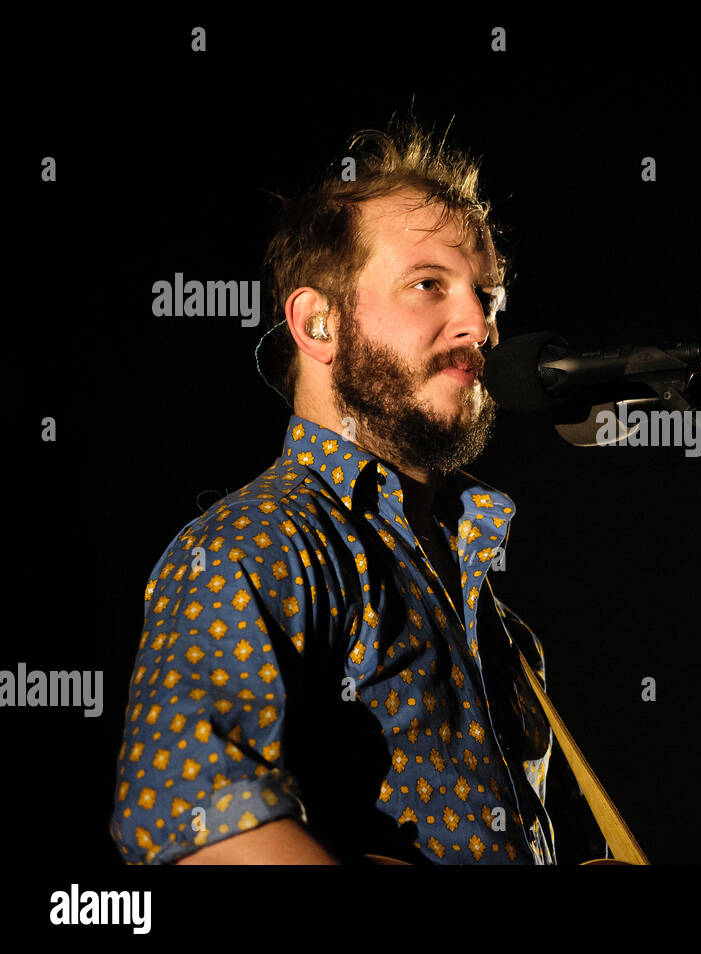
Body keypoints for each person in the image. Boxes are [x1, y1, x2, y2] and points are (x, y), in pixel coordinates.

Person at [109, 120, 598, 865]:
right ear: (317, 321)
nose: (478, 325)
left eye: (488, 297)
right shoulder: (256, 545)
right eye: (429, 285)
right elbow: (195, 819)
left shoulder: (503, 629)